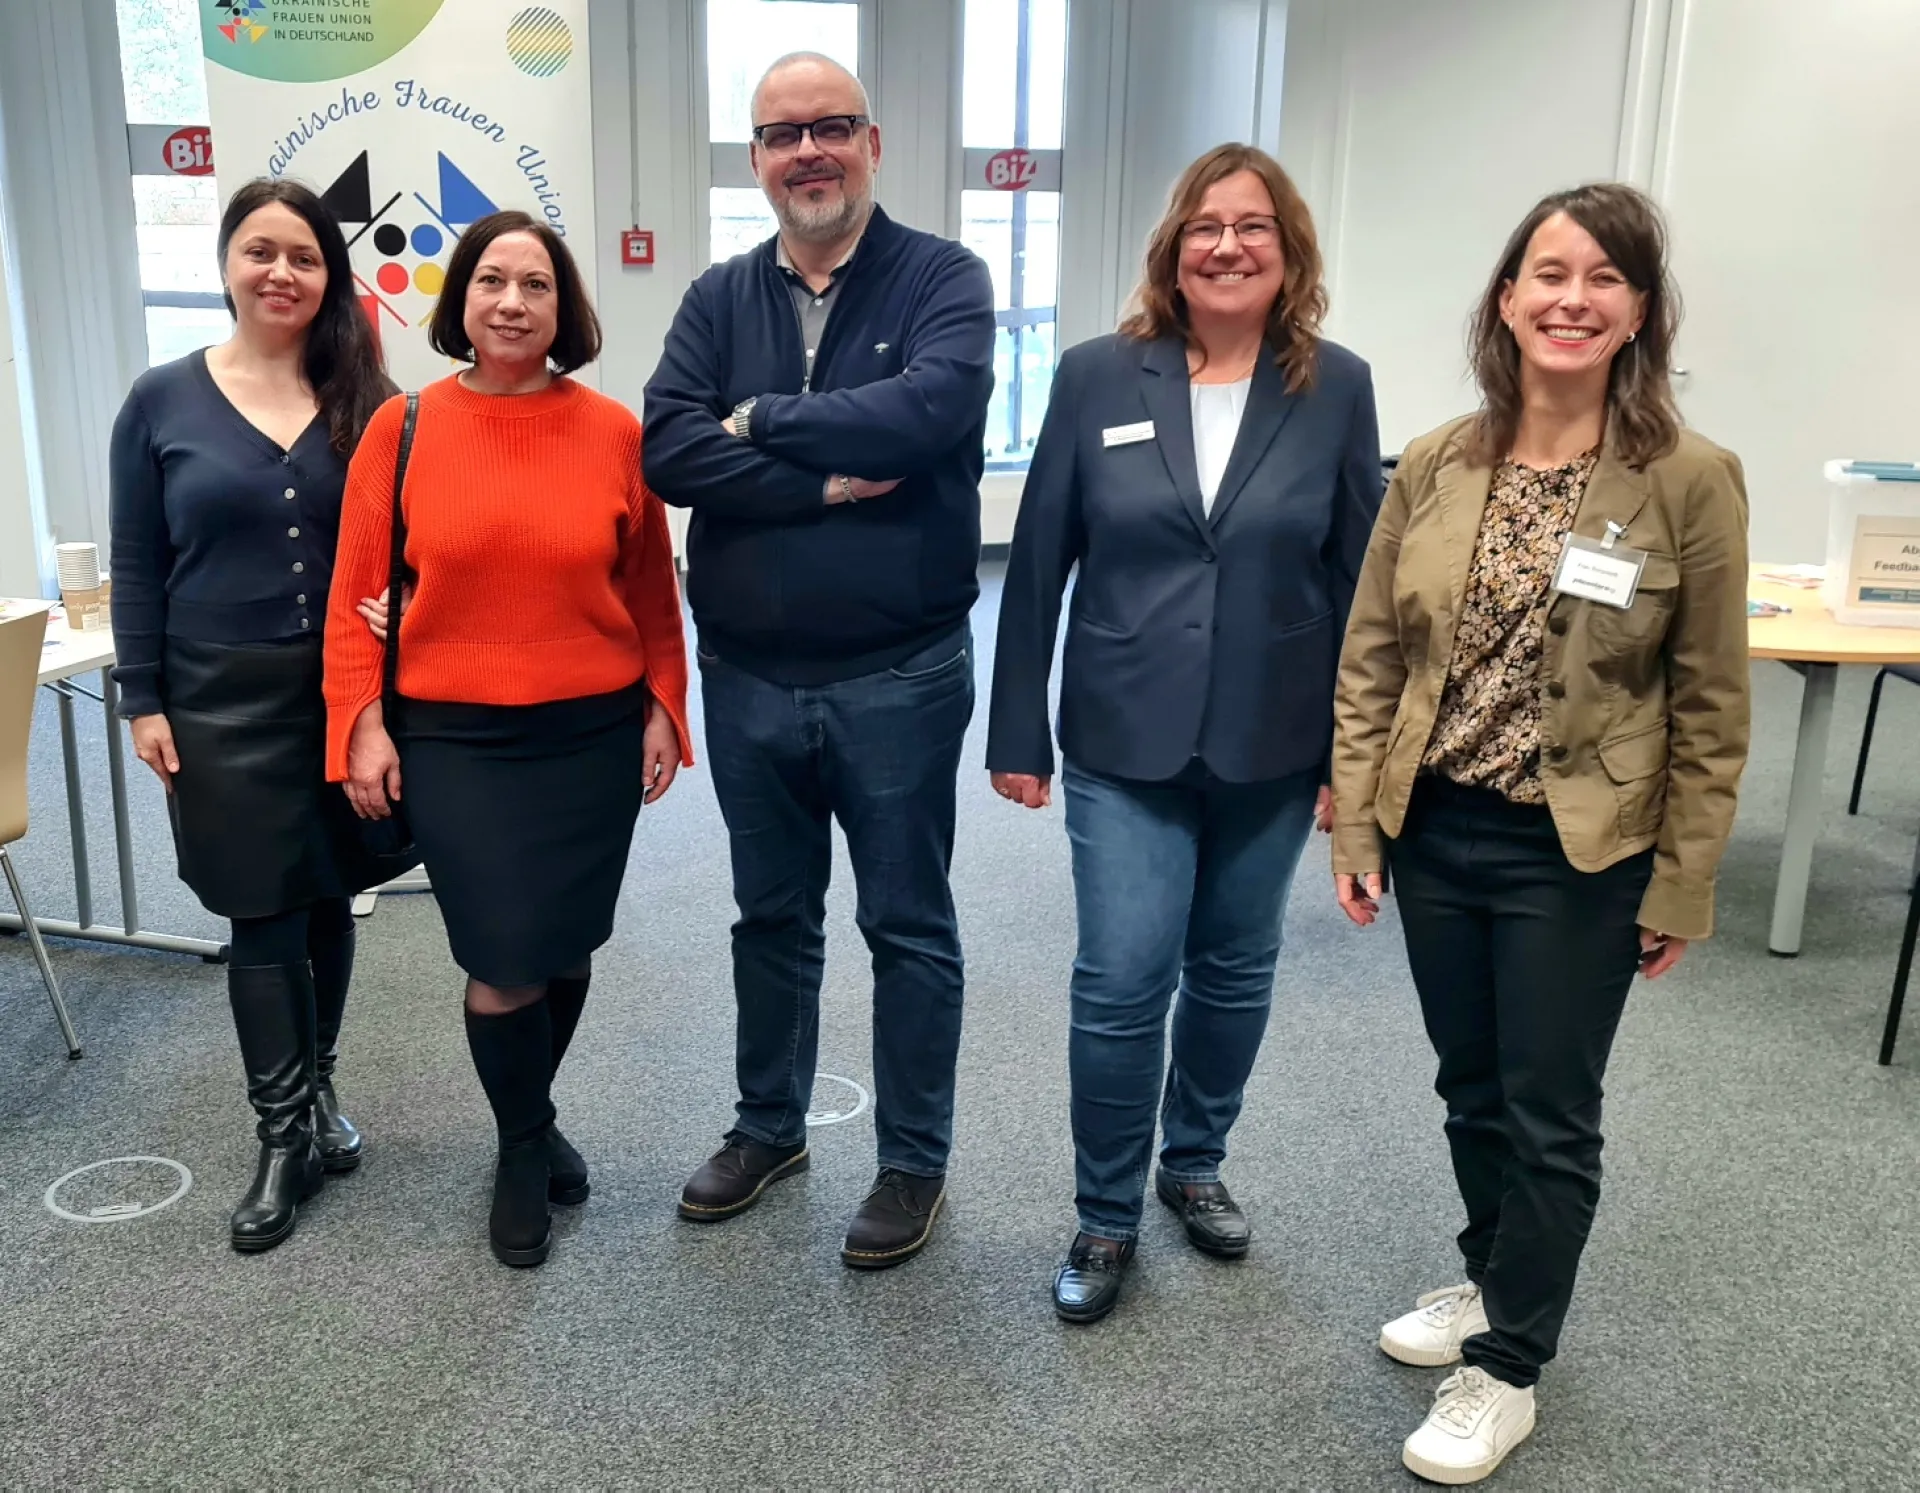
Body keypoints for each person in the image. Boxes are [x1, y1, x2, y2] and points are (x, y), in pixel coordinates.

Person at [1330, 183, 1749, 1484]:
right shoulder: (1442, 458)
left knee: (1549, 1109)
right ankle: (1488, 1273)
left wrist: (1682, 883)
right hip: (1438, 826)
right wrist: (1357, 819)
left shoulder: (1689, 478)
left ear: (1638, 313)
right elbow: (1373, 655)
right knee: (1470, 1086)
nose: (1572, 299)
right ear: (1507, 299)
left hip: (1580, 847)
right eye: (1549, 274)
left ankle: (1507, 1365)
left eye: (1604, 280)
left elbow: (1714, 702)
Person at [986, 143, 1383, 1323]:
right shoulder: (1101, 375)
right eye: (1205, 225)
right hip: (1122, 734)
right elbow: (1040, 561)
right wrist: (1020, 728)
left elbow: (1362, 579)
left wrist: (1353, 767)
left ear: (1288, 250)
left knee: (1234, 968)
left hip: (1275, 736)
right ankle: (1105, 1213)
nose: (1227, 244)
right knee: (1120, 977)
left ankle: (1193, 1159)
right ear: (1173, 247)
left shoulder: (1338, 386)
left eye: (1253, 225)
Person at [642, 52, 995, 1269]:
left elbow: (931, 414)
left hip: (898, 672)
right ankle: (769, 1125)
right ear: (755, 159)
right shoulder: (716, 296)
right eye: (783, 134)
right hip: (746, 674)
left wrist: (763, 420)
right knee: (771, 917)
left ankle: (912, 1160)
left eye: (832, 127)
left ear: (873, 141)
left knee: (907, 922)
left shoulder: (944, 277)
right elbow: (669, 452)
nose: (809, 152)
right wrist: (831, 476)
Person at [322, 210, 691, 1269]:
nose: (513, 302)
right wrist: (361, 723)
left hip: (589, 732)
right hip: (456, 738)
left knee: (564, 942)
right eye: (492, 281)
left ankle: (530, 1114)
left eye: (535, 284)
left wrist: (665, 700)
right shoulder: (403, 431)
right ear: (462, 302)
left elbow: (648, 590)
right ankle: (523, 1143)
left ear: (562, 306)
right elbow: (357, 596)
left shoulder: (613, 431)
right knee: (499, 954)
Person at [109, 177, 399, 1253]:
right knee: (260, 909)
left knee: (324, 889)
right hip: (216, 697)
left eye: (305, 256)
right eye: (260, 251)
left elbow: (413, 540)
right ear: (227, 262)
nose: (282, 272)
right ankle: (282, 1136)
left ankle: (319, 1090)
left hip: (336, 689)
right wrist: (144, 698)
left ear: (330, 275)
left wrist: (404, 608)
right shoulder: (161, 398)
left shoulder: (366, 396)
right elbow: (137, 559)